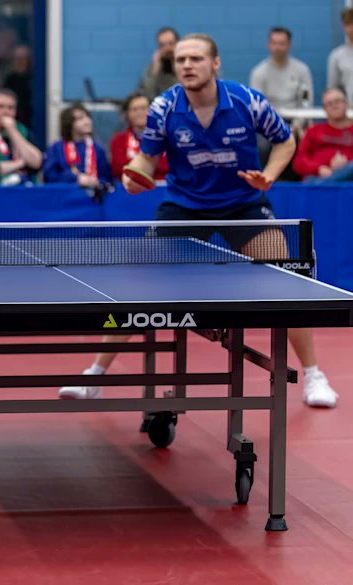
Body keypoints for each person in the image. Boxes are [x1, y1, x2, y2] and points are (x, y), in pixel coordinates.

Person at [61, 34, 339, 409]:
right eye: (180, 60)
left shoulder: (247, 101)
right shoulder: (164, 107)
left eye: (195, 58)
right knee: (133, 285)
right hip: (185, 205)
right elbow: (146, 158)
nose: (187, 66)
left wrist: (269, 176)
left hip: (243, 203)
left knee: (287, 280)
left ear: (215, 63)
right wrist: (133, 174)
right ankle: (95, 374)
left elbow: (285, 142)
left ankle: (313, 375)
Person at [42, 103, 113, 200]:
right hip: (64, 200)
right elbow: (49, 176)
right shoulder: (56, 148)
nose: (87, 121)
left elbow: (107, 177)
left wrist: (97, 182)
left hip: (93, 200)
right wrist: (76, 179)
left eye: (88, 117)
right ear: (69, 123)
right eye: (80, 118)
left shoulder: (97, 149)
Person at [292, 88, 353, 181]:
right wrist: (319, 169)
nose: (334, 106)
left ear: (346, 104)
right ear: (324, 109)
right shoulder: (314, 130)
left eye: (337, 101)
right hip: (317, 176)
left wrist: (346, 163)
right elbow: (299, 161)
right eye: (329, 104)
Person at [249, 27, 313, 111]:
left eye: (282, 43)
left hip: (296, 119)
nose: (277, 47)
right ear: (268, 45)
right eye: (274, 43)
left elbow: (306, 101)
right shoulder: (258, 72)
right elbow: (257, 104)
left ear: (289, 45)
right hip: (270, 120)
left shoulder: (302, 70)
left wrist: (298, 123)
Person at [109, 93, 169, 180]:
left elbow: (172, 166)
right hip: (130, 189)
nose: (140, 113)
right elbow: (118, 169)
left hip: (163, 187)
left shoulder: (167, 137)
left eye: (144, 108)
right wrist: (154, 164)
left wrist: (139, 166)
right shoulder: (119, 140)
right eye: (134, 109)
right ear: (127, 114)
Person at [138, 26, 179, 100]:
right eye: (162, 45)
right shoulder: (153, 68)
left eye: (171, 43)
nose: (167, 48)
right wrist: (154, 72)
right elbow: (146, 96)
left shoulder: (188, 65)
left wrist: (178, 70)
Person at [328, 8, 353, 100]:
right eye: (348, 24)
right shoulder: (336, 56)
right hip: (348, 110)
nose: (351, 28)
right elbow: (332, 90)